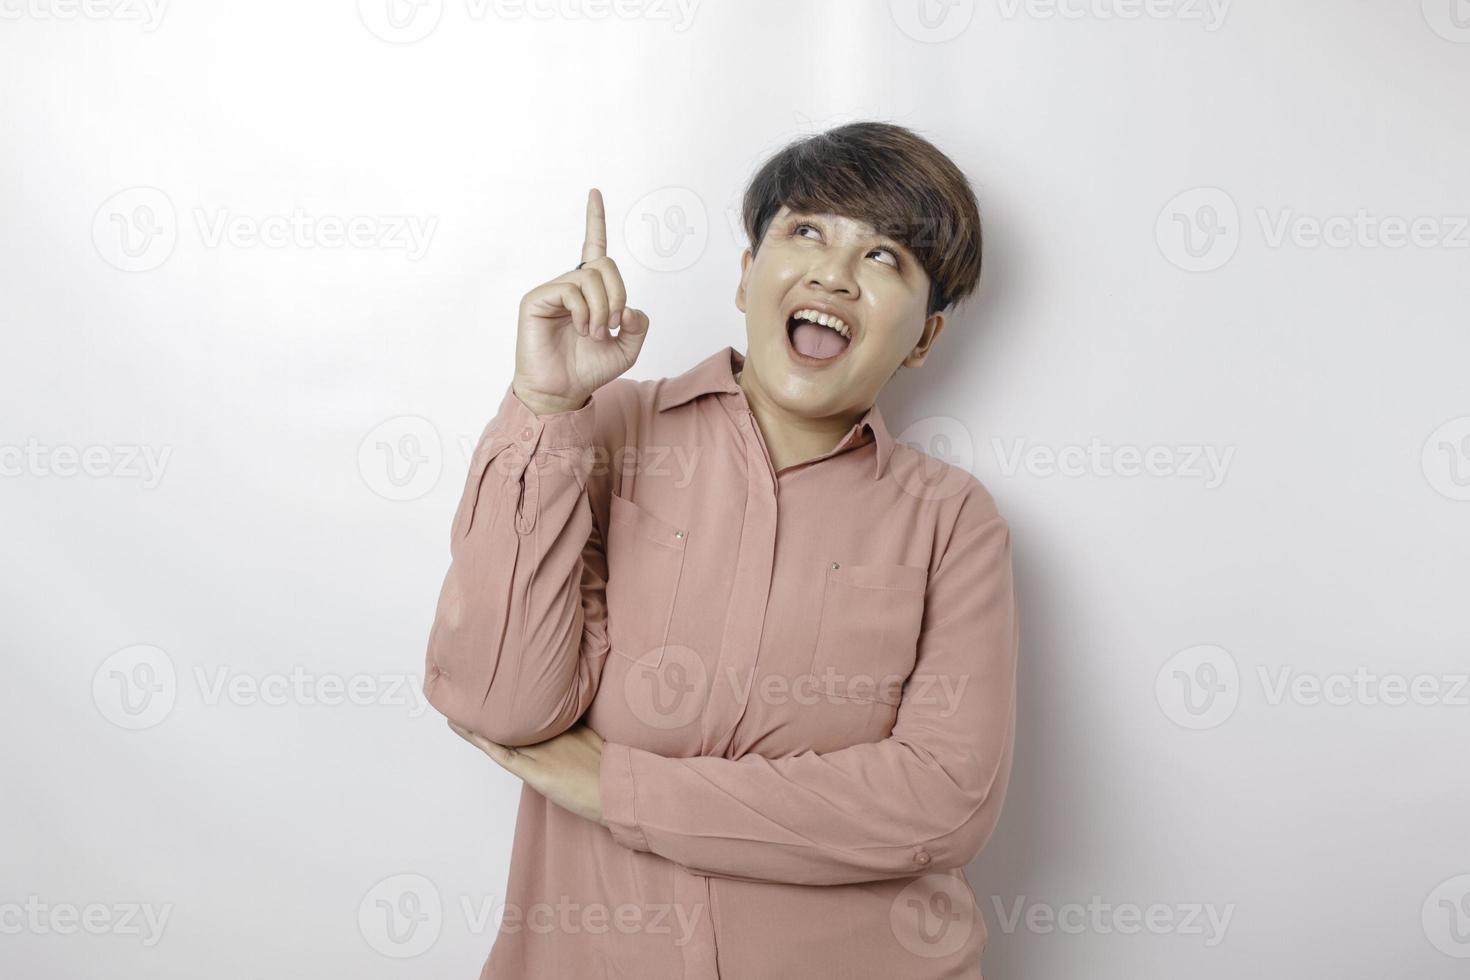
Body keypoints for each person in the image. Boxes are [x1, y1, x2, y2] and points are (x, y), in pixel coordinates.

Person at [423, 121, 1018, 979]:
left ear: (924, 338)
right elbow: (499, 704)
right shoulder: (606, 430)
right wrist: (545, 407)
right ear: (747, 275)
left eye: (886, 257)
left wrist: (616, 787)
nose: (833, 273)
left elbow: (938, 805)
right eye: (806, 231)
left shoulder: (951, 520)